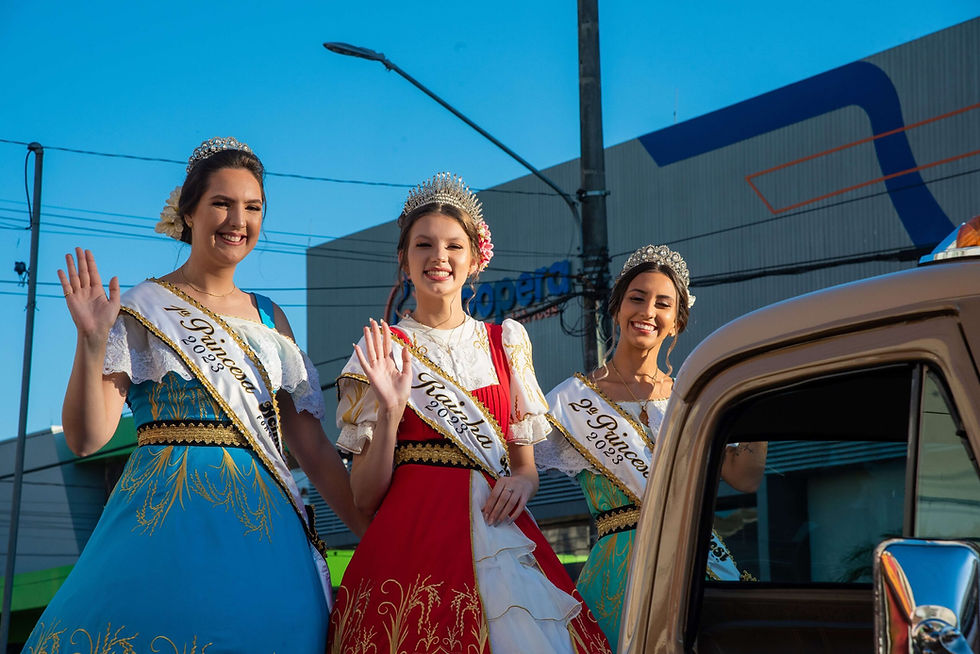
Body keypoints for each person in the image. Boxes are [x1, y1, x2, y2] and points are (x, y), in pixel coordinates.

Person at [25, 137, 367, 653]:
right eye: (221, 203)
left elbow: (312, 447)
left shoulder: (271, 317)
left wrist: (371, 530)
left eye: (253, 207)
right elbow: (86, 439)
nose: (238, 220)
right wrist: (91, 343)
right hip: (166, 524)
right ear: (189, 212)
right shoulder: (142, 306)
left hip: (264, 528)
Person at [328, 173, 611, 653]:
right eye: (423, 244)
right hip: (412, 542)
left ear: (476, 258)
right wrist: (392, 411)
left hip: (498, 534)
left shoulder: (506, 342)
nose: (439, 257)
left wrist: (524, 483)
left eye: (453, 246)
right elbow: (363, 496)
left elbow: (524, 468)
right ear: (403, 259)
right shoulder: (381, 349)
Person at [536, 244, 767, 649]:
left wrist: (756, 388)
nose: (647, 312)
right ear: (616, 309)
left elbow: (744, 478)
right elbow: (514, 469)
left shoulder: (692, 396)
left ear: (676, 322)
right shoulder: (570, 400)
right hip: (616, 577)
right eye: (637, 298)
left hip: (691, 560)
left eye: (663, 304)